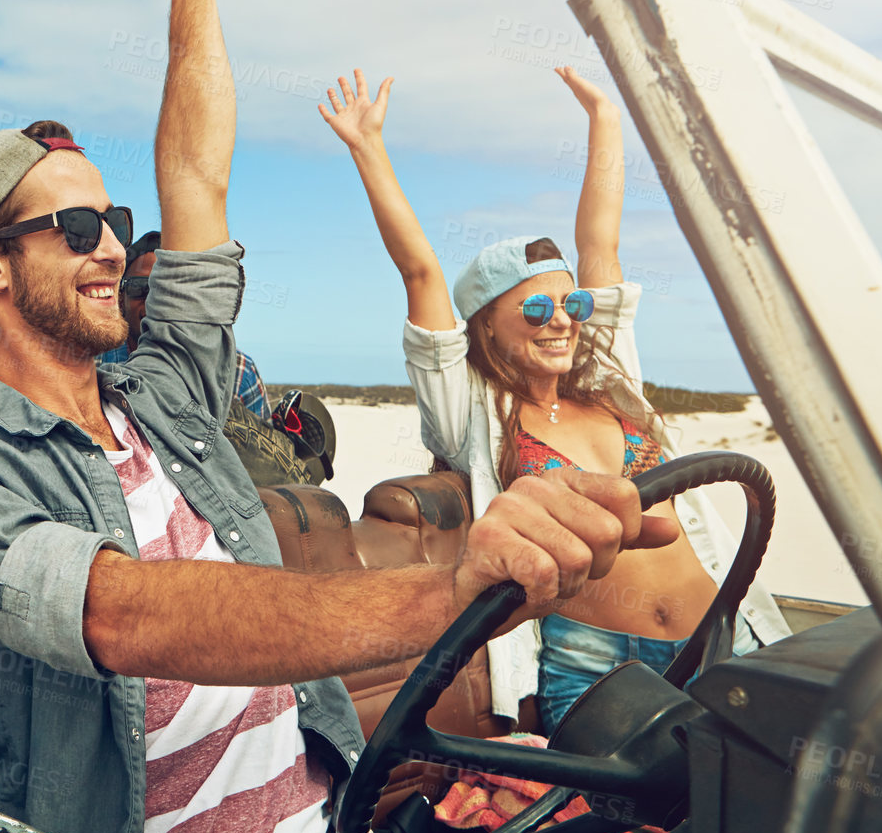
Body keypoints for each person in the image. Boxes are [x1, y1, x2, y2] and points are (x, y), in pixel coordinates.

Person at [0, 0, 671, 833]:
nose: (112, 246)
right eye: (73, 229)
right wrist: (451, 593)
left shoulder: (165, 398)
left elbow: (197, 175)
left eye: (110, 217)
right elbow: (124, 613)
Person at [319, 66, 789, 733]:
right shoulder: (473, 411)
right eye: (535, 308)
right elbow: (419, 269)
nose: (561, 320)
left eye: (568, 303)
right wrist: (367, 148)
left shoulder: (611, 375)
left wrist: (604, 117)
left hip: (719, 633)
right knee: (626, 830)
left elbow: (601, 239)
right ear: (485, 324)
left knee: (753, 813)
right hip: (595, 660)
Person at [103, 229, 334, 485]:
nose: (155, 301)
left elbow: (261, 469)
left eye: (165, 291)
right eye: (139, 287)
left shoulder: (239, 372)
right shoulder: (95, 365)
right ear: (120, 295)